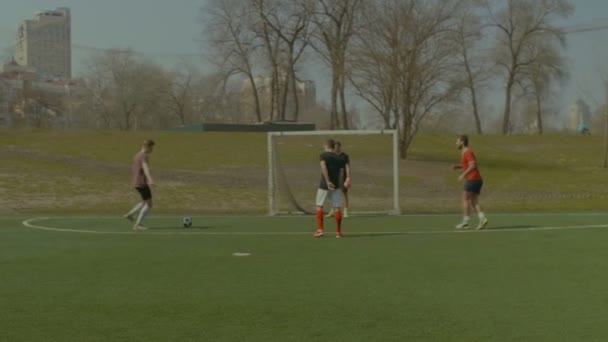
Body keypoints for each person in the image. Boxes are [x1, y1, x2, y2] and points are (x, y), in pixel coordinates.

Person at [452, 135, 488, 230]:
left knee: (465, 199)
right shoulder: (464, 152)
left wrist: (463, 174)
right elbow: (468, 164)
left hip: (473, 179)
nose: (456, 143)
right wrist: (459, 166)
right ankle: (483, 219)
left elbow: (473, 165)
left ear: (462, 142)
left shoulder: (467, 151)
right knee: (474, 201)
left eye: (457, 141)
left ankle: (466, 222)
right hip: (476, 179)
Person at [314, 139, 346, 238]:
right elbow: (341, 173)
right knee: (337, 207)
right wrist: (339, 184)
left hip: (324, 184)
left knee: (319, 205)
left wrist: (328, 181)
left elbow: (323, 166)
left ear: (326, 146)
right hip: (336, 185)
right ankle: (338, 232)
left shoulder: (323, 155)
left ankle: (320, 230)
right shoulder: (339, 158)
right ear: (334, 146)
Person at [124, 140, 155, 231]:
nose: (152, 150)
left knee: (144, 202)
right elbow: (145, 168)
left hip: (136, 182)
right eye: (151, 148)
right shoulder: (144, 156)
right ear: (147, 147)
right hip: (142, 182)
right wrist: (150, 179)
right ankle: (137, 225)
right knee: (149, 203)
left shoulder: (136, 155)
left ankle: (130, 215)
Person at [326, 141, 351, 218]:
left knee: (344, 193)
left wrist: (348, 177)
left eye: (337, 146)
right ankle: (332, 210)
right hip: (333, 177)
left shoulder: (344, 156)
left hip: (342, 176)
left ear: (340, 147)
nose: (336, 148)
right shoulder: (331, 155)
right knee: (332, 194)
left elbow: (347, 166)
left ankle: (345, 211)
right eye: (335, 146)